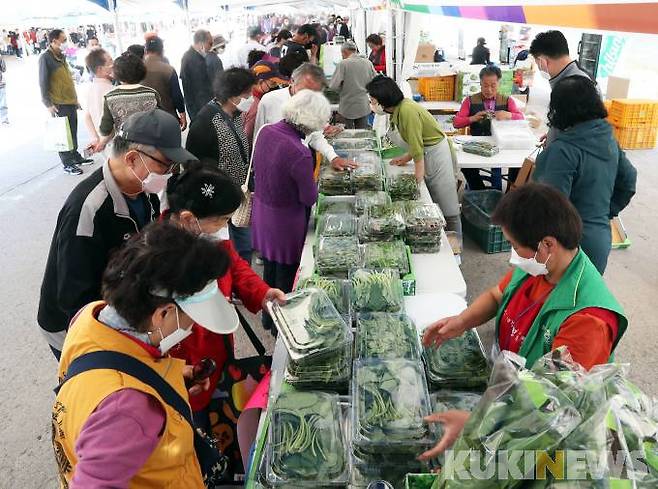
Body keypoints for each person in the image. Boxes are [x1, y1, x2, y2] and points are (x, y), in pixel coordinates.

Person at [419, 183, 628, 461]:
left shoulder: (589, 321)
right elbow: (497, 295)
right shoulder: (543, 268)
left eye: (516, 246)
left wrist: (475, 423)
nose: (513, 255)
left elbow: (554, 408)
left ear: (547, 245)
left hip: (546, 434)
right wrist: (460, 322)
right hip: (512, 389)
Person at [53, 221, 232, 488]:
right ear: (163, 314)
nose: (192, 326)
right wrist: (137, 401)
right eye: (191, 318)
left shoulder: (91, 317)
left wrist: (163, 379)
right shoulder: (127, 409)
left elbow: (111, 370)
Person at [38, 109, 197, 360]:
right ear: (133, 158)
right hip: (76, 324)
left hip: (119, 306)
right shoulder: (88, 208)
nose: (169, 172)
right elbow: (74, 298)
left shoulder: (144, 191)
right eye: (165, 164)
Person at [164, 161, 286, 429]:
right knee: (194, 426)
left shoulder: (206, 237)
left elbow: (237, 267)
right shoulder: (158, 260)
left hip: (218, 354)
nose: (225, 227)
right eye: (221, 220)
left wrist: (264, 294)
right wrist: (176, 376)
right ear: (187, 218)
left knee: (221, 414)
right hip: (187, 369)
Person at [533, 76, 637, 274]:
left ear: (560, 109)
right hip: (599, 240)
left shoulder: (563, 150)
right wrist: (604, 213)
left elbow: (550, 208)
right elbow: (629, 180)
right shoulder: (607, 139)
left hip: (566, 247)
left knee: (558, 302)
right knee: (584, 301)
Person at [252, 90, 330, 329]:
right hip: (286, 222)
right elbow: (309, 197)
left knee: (270, 270)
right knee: (286, 278)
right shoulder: (299, 151)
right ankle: (281, 328)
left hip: (263, 213)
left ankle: (267, 318)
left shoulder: (267, 132)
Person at [366, 75, 462, 241]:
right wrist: (405, 158)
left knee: (447, 207)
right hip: (426, 153)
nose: (372, 105)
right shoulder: (398, 110)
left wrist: (416, 180)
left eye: (373, 101)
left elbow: (417, 146)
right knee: (433, 202)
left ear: (384, 100)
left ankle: (456, 247)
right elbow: (414, 140)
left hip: (436, 155)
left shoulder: (407, 111)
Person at [185, 68, 257, 264]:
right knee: (225, 253)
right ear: (232, 94)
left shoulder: (235, 115)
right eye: (247, 94)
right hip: (217, 201)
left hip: (237, 196)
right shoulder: (206, 121)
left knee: (243, 250)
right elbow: (194, 166)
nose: (250, 98)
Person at [255, 62, 356, 171]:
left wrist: (333, 157)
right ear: (291, 82)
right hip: (273, 165)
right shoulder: (269, 100)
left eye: (313, 92)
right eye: (304, 90)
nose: (308, 97)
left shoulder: (314, 102)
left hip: (302, 162)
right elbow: (258, 136)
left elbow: (315, 135)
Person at [453, 65, 525, 190]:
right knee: (465, 165)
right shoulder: (470, 101)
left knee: (516, 164)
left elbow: (521, 118)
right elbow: (456, 122)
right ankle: (479, 190)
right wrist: (473, 118)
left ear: (499, 83)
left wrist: (508, 114)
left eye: (493, 85)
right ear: (480, 84)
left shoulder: (507, 100)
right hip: (477, 143)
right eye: (485, 85)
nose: (489, 90)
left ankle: (504, 190)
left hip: (500, 144)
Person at [39, 29, 92, 175]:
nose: (65, 43)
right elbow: (43, 82)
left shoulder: (61, 56)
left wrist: (75, 100)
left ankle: (75, 156)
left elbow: (67, 78)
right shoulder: (45, 58)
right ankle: (67, 163)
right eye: (63, 40)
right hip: (58, 103)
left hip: (69, 101)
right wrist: (48, 103)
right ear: (54, 41)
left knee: (72, 130)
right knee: (63, 134)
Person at [529, 30, 594, 146]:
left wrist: (555, 144)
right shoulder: (570, 78)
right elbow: (566, 123)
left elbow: (581, 137)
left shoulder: (576, 86)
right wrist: (553, 135)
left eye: (537, 63)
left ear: (542, 62)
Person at [93, 52, 161, 153]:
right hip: (151, 146)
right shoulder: (152, 93)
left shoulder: (110, 97)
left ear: (117, 73)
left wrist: (101, 141)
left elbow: (105, 129)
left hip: (124, 149)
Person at [142, 36, 187, 130]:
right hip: (168, 118)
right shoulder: (168, 70)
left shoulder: (137, 69)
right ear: (162, 51)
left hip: (145, 120)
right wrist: (182, 115)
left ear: (146, 51)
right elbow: (177, 96)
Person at [329, 41, 376, 129]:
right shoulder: (368, 63)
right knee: (362, 132)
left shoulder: (343, 64)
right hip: (363, 104)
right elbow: (375, 81)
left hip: (347, 105)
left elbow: (333, 86)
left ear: (345, 52)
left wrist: (342, 88)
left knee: (349, 133)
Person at [244, 60, 289, 143]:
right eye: (272, 84)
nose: (273, 88)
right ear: (260, 81)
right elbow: (247, 136)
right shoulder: (255, 104)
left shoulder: (245, 92)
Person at [82, 48, 113, 151]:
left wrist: (95, 138)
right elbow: (112, 123)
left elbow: (87, 117)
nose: (114, 64)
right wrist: (103, 142)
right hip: (114, 144)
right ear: (100, 69)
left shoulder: (89, 90)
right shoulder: (110, 90)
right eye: (110, 61)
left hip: (102, 144)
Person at [180, 30, 213, 121]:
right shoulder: (192, 60)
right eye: (210, 44)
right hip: (200, 109)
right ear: (201, 43)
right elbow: (199, 90)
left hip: (199, 107)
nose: (211, 47)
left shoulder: (192, 56)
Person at [0, 56, 8, 125]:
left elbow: (4, 69)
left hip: (1, 84)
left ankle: (4, 119)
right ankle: (4, 119)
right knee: (2, 102)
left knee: (3, 102)